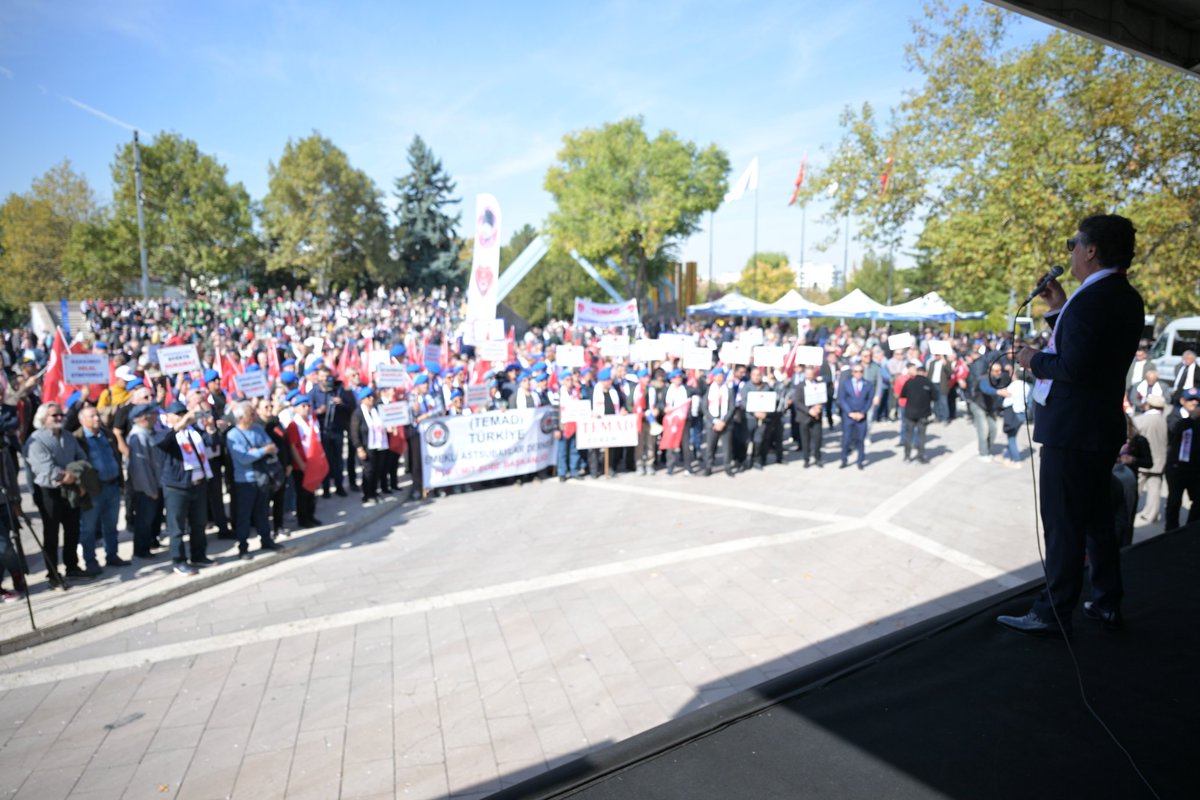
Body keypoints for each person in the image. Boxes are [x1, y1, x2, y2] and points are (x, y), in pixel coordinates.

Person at [999, 215, 1145, 637]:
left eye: (1073, 244)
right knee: (1098, 519)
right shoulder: (1123, 296)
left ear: (1091, 250)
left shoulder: (1093, 299)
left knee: (1063, 523)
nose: (1071, 252)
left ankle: (1052, 611)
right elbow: (1090, 352)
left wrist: (1031, 359)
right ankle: (1105, 601)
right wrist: (1059, 307)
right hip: (1098, 428)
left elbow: (1073, 365)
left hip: (1072, 431)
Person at [25, 402, 89, 584]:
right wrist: (66, 475)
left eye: (61, 414)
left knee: (72, 529)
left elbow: (81, 457)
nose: (59, 418)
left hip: (71, 489)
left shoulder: (68, 436)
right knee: (51, 533)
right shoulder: (36, 440)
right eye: (54, 415)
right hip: (49, 492)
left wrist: (76, 476)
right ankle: (53, 573)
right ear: (43, 419)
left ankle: (72, 566)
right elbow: (44, 467)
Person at [155, 399, 217, 576]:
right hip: (177, 486)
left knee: (199, 523)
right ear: (169, 417)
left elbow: (210, 441)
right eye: (178, 415)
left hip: (198, 483)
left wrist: (210, 427)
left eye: (184, 414)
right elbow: (162, 442)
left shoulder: (193, 431)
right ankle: (179, 560)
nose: (183, 418)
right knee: (177, 527)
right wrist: (181, 424)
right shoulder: (164, 432)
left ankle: (199, 555)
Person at [227, 400, 284, 560]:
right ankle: (243, 546)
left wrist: (258, 451)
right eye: (251, 414)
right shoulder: (233, 435)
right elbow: (244, 458)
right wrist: (263, 450)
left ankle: (266, 540)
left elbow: (273, 447)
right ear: (240, 417)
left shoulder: (258, 429)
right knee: (244, 515)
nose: (254, 417)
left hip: (263, 477)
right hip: (245, 481)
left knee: (263, 512)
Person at [74, 405, 128, 570]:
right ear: (82, 420)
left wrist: (120, 481)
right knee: (89, 529)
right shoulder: (78, 439)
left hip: (112, 487)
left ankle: (112, 555)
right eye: (92, 416)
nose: (97, 418)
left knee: (111, 525)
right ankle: (90, 561)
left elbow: (116, 457)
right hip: (93, 491)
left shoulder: (107, 434)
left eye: (97, 415)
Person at [125, 403, 163, 559]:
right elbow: (140, 468)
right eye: (153, 413)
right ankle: (141, 550)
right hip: (145, 488)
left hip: (153, 484)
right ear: (144, 417)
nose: (156, 417)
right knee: (144, 519)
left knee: (151, 518)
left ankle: (149, 543)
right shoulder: (138, 436)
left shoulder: (147, 433)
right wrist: (150, 490)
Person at [1163, 387, 1200, 530]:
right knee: (1174, 502)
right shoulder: (1175, 415)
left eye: (1197, 400)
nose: (1194, 403)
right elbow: (1174, 430)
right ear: (1182, 401)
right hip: (1177, 468)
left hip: (1195, 469)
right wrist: (1191, 418)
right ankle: (1171, 531)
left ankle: (1190, 529)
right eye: (1190, 400)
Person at [1132, 394, 1169, 526]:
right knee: (1155, 489)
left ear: (1148, 405)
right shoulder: (1165, 421)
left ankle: (1130, 510)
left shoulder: (1141, 420)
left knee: (1136, 488)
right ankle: (1151, 515)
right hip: (1160, 461)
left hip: (1142, 460)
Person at [348, 386, 387, 504]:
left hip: (378, 445)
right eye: (368, 397)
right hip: (366, 446)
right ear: (362, 400)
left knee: (377, 469)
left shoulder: (376, 410)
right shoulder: (358, 413)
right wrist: (359, 448)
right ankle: (367, 494)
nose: (371, 399)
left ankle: (374, 492)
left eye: (372, 396)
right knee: (368, 471)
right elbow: (354, 433)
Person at [837, 362, 871, 470]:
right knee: (846, 439)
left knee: (860, 440)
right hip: (849, 416)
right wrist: (849, 412)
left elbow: (869, 400)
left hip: (861, 416)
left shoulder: (868, 384)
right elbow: (842, 399)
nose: (858, 374)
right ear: (852, 373)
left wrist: (862, 412)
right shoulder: (846, 383)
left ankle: (860, 461)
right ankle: (844, 459)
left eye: (861, 371)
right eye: (856, 371)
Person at [701, 367, 735, 477]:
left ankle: (727, 467)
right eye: (717, 376)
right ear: (714, 377)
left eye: (721, 376)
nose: (720, 378)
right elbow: (704, 407)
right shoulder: (709, 390)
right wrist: (715, 421)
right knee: (710, 447)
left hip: (726, 422)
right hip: (712, 423)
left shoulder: (728, 390)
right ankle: (708, 467)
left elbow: (732, 407)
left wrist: (723, 421)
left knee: (727, 447)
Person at [900, 363, 935, 463]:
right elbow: (935, 397)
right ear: (925, 373)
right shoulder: (928, 382)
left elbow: (903, 395)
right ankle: (921, 456)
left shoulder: (910, 382)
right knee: (921, 435)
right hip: (923, 413)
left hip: (910, 412)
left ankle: (907, 456)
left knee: (909, 435)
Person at [794, 366, 826, 468]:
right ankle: (806, 459)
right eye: (808, 375)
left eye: (811, 374)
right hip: (804, 417)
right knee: (805, 440)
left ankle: (818, 458)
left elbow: (823, 398)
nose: (810, 376)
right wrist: (809, 411)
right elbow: (797, 402)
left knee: (817, 439)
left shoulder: (819, 384)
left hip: (816, 417)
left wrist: (819, 407)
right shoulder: (800, 386)